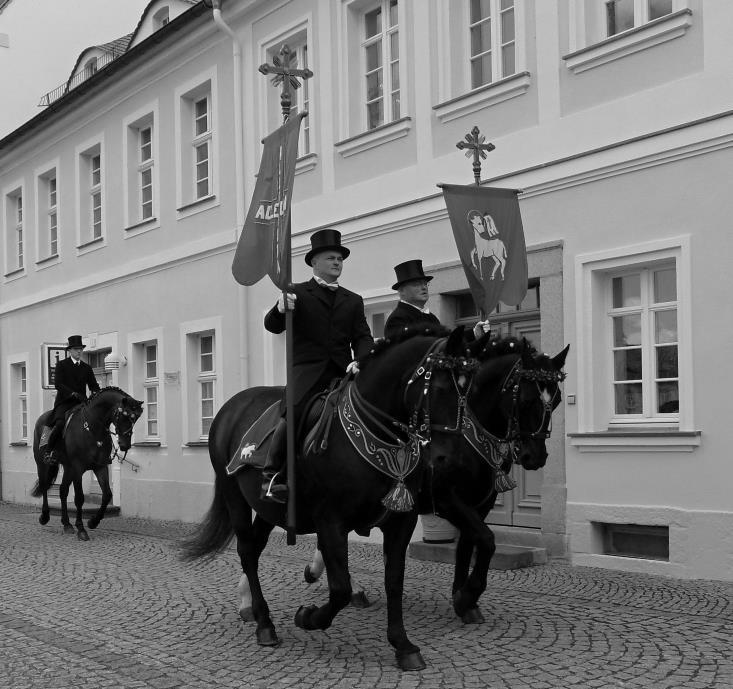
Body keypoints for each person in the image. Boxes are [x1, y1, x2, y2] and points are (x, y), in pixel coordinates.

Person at [261, 228, 374, 503]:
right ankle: (272, 476)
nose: (337, 262)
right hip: (307, 373)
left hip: (342, 373)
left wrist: (360, 359)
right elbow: (272, 326)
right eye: (330, 258)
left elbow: (362, 337)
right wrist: (280, 308)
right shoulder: (296, 292)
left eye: (340, 258)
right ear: (314, 262)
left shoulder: (353, 300)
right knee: (295, 412)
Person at [384, 259, 491, 341]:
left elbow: (446, 341)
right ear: (402, 291)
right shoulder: (397, 319)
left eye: (425, 283)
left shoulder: (431, 317)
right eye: (417, 284)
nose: (424, 287)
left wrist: (474, 333)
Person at [43, 335, 101, 464]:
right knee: (59, 424)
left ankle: (100, 450)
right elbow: (58, 384)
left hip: (82, 402)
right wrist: (72, 393)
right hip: (65, 402)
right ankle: (49, 450)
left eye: (80, 349)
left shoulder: (87, 368)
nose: (79, 351)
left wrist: (98, 393)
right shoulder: (62, 365)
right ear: (70, 351)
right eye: (76, 349)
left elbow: (93, 385)